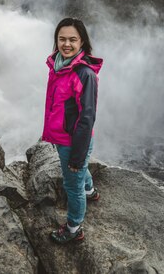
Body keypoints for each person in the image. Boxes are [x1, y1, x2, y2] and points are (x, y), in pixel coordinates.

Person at [42, 17, 103, 244]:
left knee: (72, 184)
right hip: (63, 138)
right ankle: (90, 191)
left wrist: (77, 156)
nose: (66, 44)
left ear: (82, 42)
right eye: (62, 39)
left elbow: (87, 118)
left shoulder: (84, 74)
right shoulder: (58, 65)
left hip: (74, 142)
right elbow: (57, 105)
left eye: (72, 40)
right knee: (79, 175)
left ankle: (74, 227)